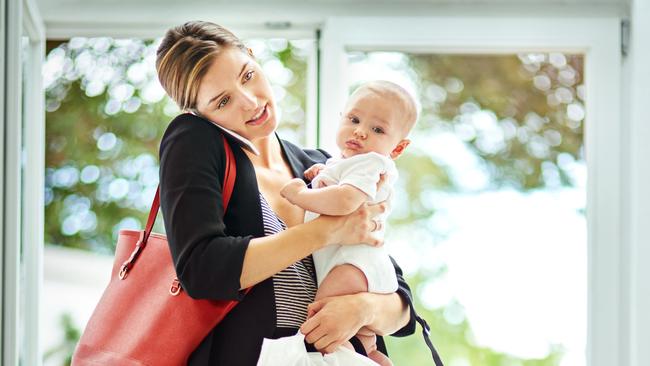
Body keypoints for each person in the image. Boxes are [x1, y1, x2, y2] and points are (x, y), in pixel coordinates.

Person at [155, 21, 417, 365]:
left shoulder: (324, 166)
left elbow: (402, 307)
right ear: (198, 113)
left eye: (247, 75)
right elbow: (202, 271)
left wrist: (362, 308)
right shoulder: (194, 140)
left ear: (252, 55)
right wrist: (326, 230)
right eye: (222, 101)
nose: (250, 103)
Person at [279, 80, 417, 366]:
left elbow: (344, 201)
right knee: (346, 320)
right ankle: (370, 353)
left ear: (398, 148)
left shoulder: (370, 163)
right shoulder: (344, 163)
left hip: (355, 264)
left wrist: (301, 194)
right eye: (354, 119)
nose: (360, 131)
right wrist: (322, 175)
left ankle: (345, 355)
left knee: (323, 311)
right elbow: (339, 183)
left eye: (377, 129)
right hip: (350, 263)